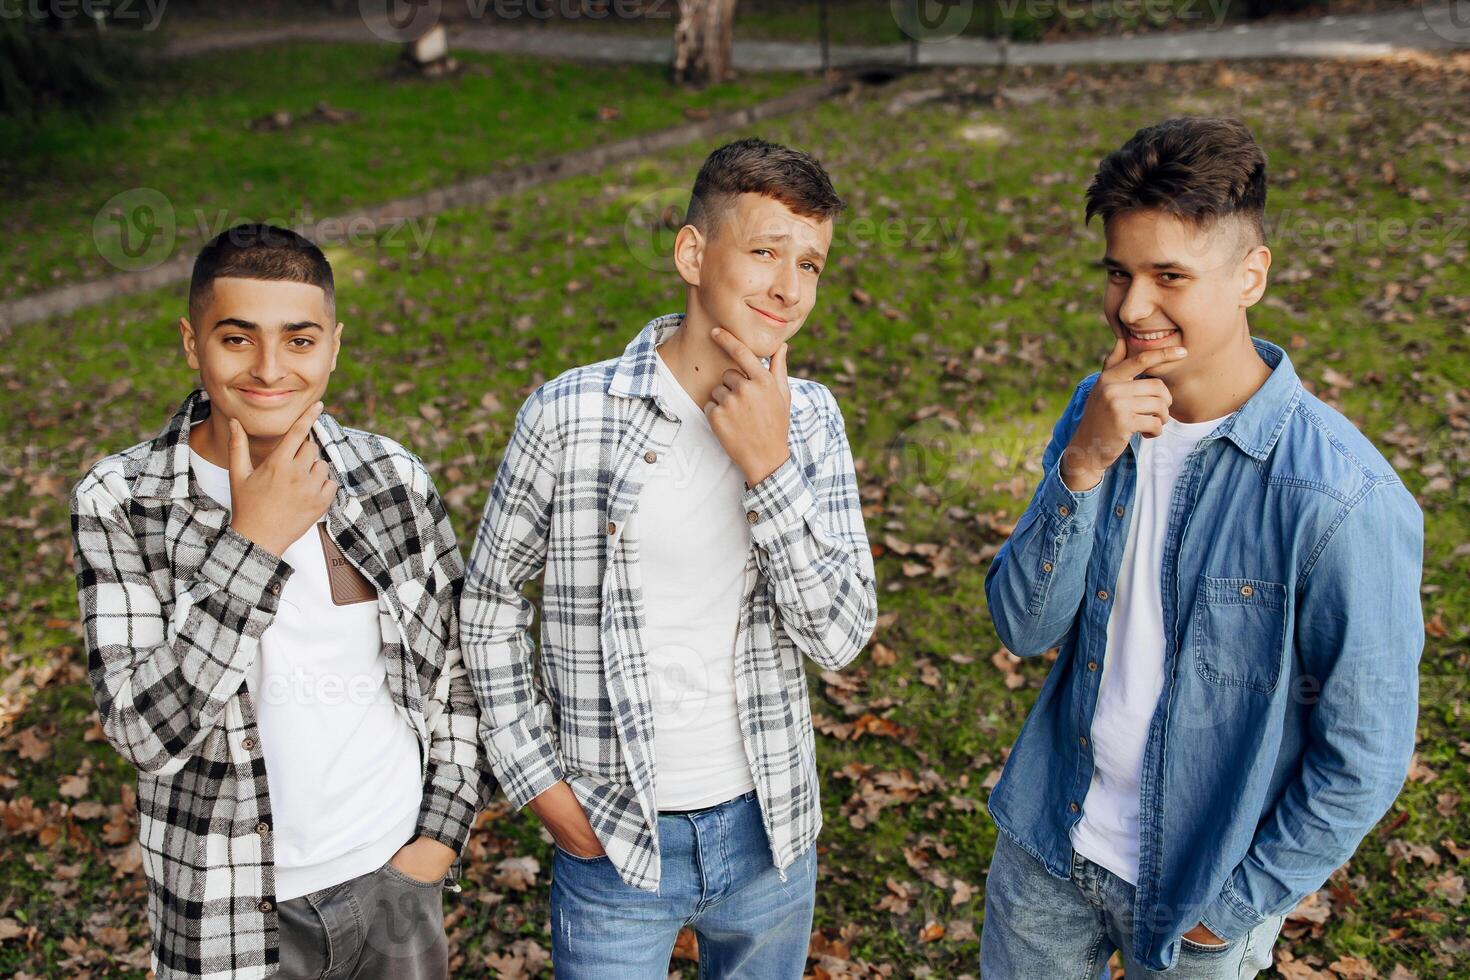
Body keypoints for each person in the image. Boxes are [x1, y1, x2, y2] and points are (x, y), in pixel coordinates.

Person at [979, 117, 1424, 978]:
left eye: (1169, 277)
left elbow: (1365, 752)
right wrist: (1083, 464)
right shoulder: (1097, 411)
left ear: (1250, 274)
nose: (1132, 307)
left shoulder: (1339, 497)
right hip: (1048, 843)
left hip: (1198, 896)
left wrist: (1234, 911)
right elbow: (1024, 628)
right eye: (1118, 273)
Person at [461, 137, 878, 978]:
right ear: (693, 253)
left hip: (770, 833)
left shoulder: (812, 422)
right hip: (614, 834)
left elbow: (839, 637)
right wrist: (539, 782)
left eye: (811, 263)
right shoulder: (569, 416)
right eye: (764, 251)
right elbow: (489, 601)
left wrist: (769, 467)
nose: (789, 287)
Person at [70, 224, 487, 980]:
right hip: (226, 906)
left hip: (393, 879)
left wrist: (437, 839)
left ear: (332, 345)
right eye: (237, 339)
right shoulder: (122, 501)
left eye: (298, 341)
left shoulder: (389, 474)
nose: (269, 369)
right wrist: (252, 544)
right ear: (193, 344)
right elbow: (141, 732)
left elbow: (456, 671)